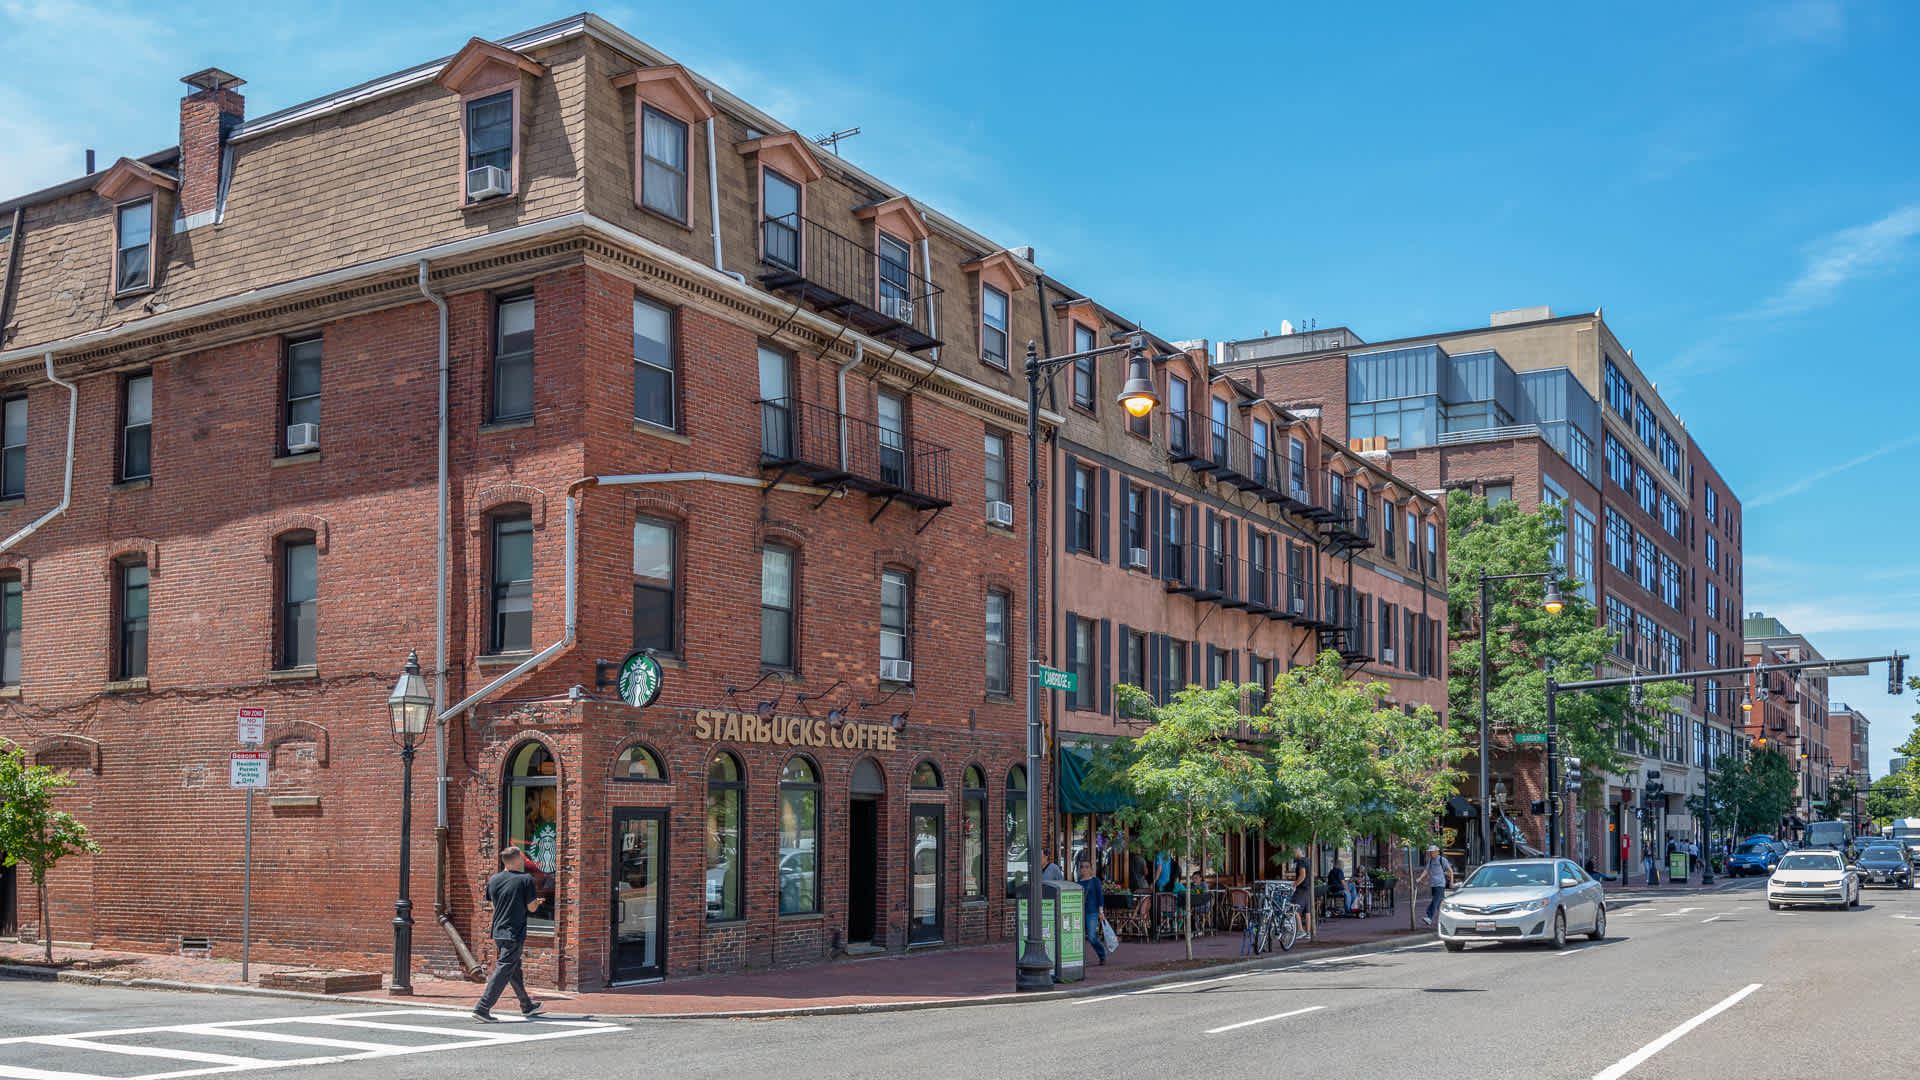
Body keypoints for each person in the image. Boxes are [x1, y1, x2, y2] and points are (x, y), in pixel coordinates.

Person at [473, 846, 545, 1022]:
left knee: (513, 969)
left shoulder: (494, 879)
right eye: (522, 857)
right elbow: (531, 907)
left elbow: (495, 906)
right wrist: (537, 902)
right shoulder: (525, 879)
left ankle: (526, 1005)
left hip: (498, 930)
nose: (524, 860)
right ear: (517, 859)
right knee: (505, 968)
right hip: (514, 931)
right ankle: (482, 1007)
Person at [1076, 855, 1106, 966]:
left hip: (1092, 912)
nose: (1084, 869)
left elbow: (1100, 896)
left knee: (1092, 937)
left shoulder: (1095, 881)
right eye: (1082, 867)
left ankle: (1102, 954)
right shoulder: (1078, 883)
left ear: (1091, 869)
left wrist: (1101, 912)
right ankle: (1080, 959)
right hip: (1079, 913)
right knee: (1079, 937)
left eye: (1087, 867)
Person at [1419, 845, 1453, 928]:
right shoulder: (1430, 861)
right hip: (1433, 884)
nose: (1431, 854)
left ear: (1437, 852)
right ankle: (1447, 918)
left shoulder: (1442, 860)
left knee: (1435, 901)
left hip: (1440, 884)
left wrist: (1451, 882)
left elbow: (1450, 871)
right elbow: (1426, 870)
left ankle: (1429, 917)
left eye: (1433, 852)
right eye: (1430, 852)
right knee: (1440, 904)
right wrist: (1420, 878)